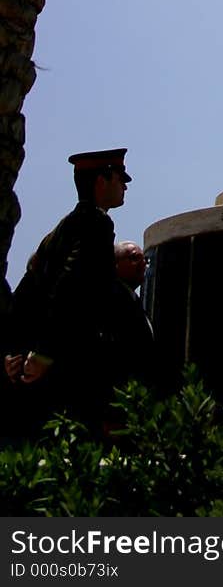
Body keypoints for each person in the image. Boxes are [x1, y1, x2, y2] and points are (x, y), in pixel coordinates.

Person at [3, 148, 132, 436]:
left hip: (33, 367)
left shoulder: (58, 231)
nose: (124, 186)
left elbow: (25, 293)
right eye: (119, 178)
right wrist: (45, 354)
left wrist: (13, 352)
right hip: (68, 368)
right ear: (102, 181)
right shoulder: (97, 224)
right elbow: (72, 288)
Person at [108, 242, 157, 390]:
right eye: (135, 258)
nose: (142, 264)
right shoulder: (110, 300)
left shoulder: (134, 302)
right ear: (114, 264)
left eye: (145, 260)